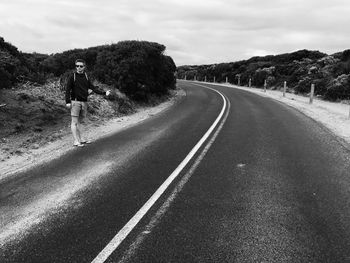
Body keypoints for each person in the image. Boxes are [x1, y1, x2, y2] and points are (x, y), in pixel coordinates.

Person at [65, 59, 111, 147]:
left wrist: (104, 93)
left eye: (81, 66)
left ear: (84, 67)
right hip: (75, 102)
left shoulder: (86, 76)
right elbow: (67, 90)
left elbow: (93, 88)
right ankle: (76, 141)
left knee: (81, 122)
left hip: (84, 102)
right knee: (74, 122)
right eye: (77, 66)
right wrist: (67, 101)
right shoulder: (72, 76)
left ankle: (82, 139)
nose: (78, 68)